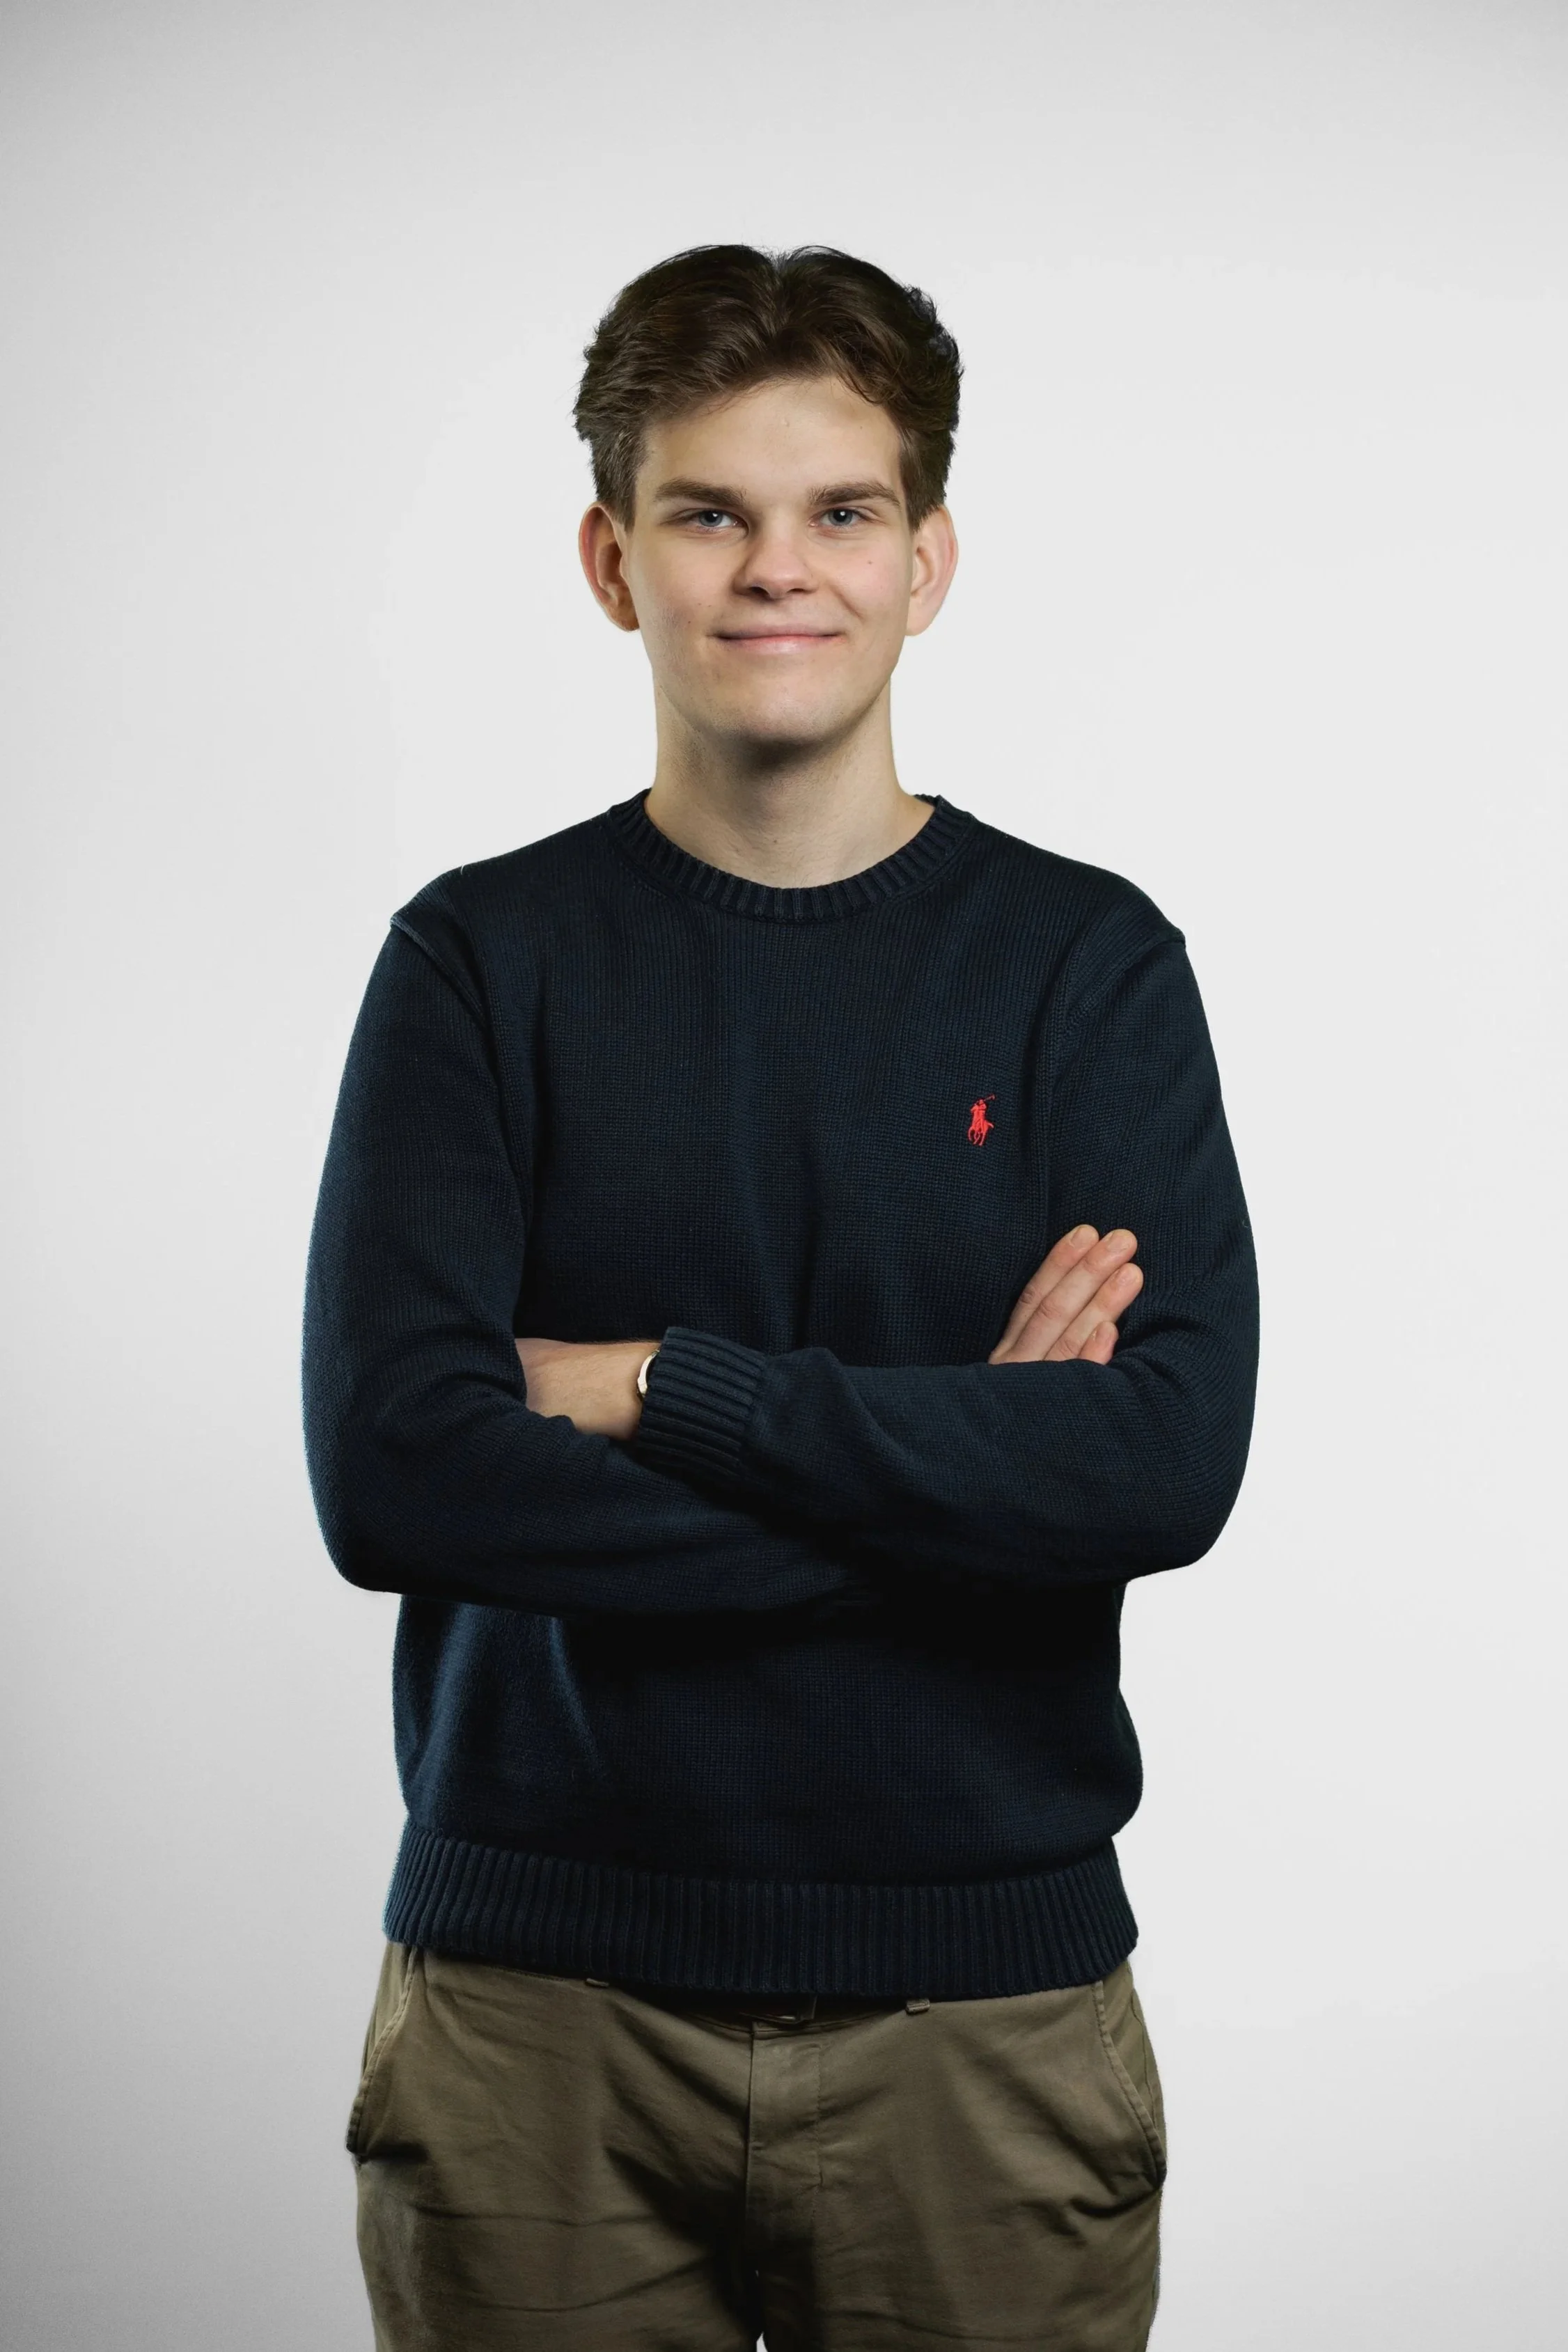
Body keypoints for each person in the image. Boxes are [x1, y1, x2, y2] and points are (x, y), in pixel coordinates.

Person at [303, 242, 1260, 2351]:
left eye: (835, 513)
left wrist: (659, 1386)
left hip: (980, 2006)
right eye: (707, 513)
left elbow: (1158, 1469)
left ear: (926, 559)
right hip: (537, 2008)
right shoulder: (478, 963)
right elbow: (397, 1478)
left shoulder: (1085, 968)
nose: (772, 572)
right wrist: (956, 1477)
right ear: (607, 558)